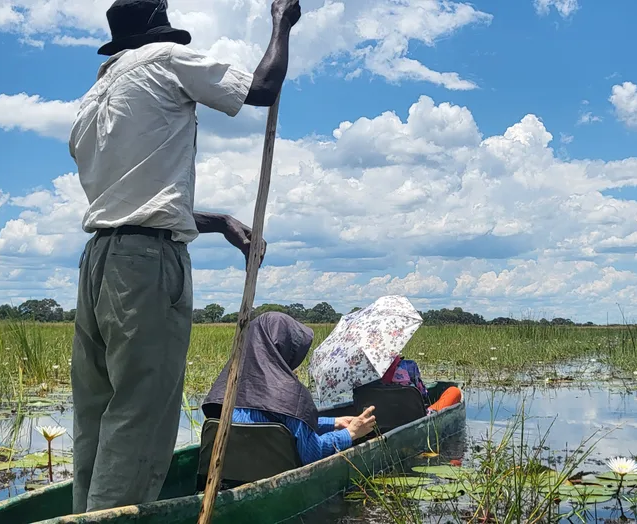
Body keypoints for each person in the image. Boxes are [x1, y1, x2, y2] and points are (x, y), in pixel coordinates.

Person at [68, 0, 302, 513]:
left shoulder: (93, 98)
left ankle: (84, 510)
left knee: (96, 411)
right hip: (146, 266)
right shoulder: (164, 59)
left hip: (99, 260)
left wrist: (216, 222)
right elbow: (261, 88)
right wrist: (280, 23)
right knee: (140, 413)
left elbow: (131, 199)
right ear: (157, 29)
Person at [202, 312, 378, 465]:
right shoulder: (288, 394)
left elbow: (282, 424)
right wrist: (350, 433)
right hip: (274, 471)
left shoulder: (226, 387)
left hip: (231, 472)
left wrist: (333, 422)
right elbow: (312, 452)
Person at [380, 355, 462, 413]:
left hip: (382, 418)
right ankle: (431, 412)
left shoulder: (370, 375)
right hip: (415, 414)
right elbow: (422, 394)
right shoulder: (408, 365)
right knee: (454, 391)